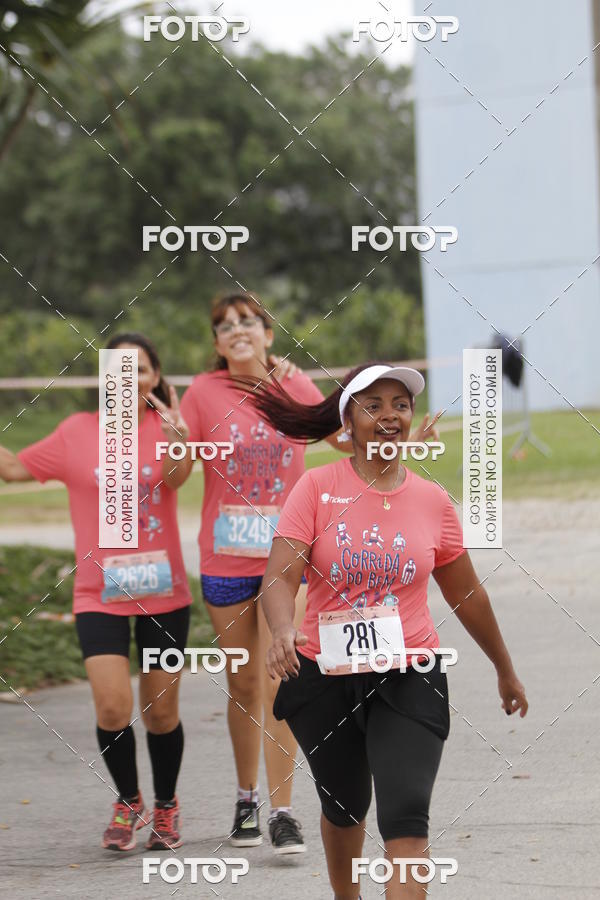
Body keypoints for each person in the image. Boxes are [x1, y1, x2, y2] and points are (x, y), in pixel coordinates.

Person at [244, 362, 529, 898]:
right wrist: (281, 628)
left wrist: (504, 668)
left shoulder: (432, 501)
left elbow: (467, 593)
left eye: (400, 404)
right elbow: (279, 576)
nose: (389, 415)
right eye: (372, 405)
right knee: (344, 808)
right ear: (348, 421)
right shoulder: (316, 488)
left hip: (409, 673)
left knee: (407, 819)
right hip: (325, 677)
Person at [152, 291, 342, 854]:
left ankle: (283, 811)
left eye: (248, 321)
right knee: (243, 682)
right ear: (216, 343)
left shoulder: (294, 384)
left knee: (283, 678)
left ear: (267, 332)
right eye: (225, 325)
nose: (237, 330)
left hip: (288, 558)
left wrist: (399, 439)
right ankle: (246, 801)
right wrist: (177, 444)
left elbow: (341, 437)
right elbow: (177, 477)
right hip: (226, 560)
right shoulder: (203, 392)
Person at [0, 332, 192, 853]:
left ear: (155, 378)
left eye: (140, 369)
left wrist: (178, 438)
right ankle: (129, 801)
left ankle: (167, 805)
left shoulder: (167, 428)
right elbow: (13, 469)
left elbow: (178, 478)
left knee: (161, 713)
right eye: (118, 369)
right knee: (111, 707)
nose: (129, 378)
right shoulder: (76, 432)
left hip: (164, 595)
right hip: (98, 594)